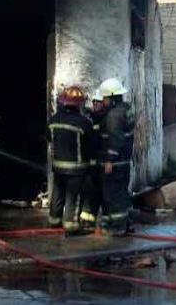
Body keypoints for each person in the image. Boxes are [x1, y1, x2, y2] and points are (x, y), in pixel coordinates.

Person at [48, 86, 94, 234]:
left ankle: (54, 220)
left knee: (58, 193)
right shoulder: (84, 123)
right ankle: (71, 225)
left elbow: (49, 139)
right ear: (79, 104)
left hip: (58, 165)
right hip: (77, 167)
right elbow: (90, 144)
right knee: (73, 196)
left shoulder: (53, 120)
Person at [97, 78, 135, 236]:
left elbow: (116, 139)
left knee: (111, 194)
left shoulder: (113, 116)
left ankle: (117, 228)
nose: (103, 101)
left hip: (116, 162)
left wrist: (109, 160)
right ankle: (124, 223)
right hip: (125, 160)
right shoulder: (127, 109)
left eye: (105, 98)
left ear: (112, 98)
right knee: (122, 192)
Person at [79, 89, 106, 230]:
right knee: (89, 192)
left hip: (102, 163)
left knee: (101, 192)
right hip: (90, 163)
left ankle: (103, 220)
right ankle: (87, 219)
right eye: (94, 102)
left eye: (98, 102)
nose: (95, 105)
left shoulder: (106, 119)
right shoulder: (90, 118)